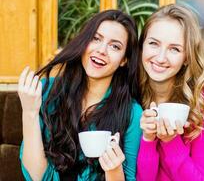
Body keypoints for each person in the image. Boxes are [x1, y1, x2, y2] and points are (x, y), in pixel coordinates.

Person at [18, 10, 142, 181]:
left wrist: (113, 170)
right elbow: (36, 176)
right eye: (96, 39)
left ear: (124, 60)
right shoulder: (48, 90)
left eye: (115, 46)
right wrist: (29, 112)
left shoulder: (132, 113)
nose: (101, 50)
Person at [136, 4, 204, 181]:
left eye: (174, 49)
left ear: (187, 58)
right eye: (153, 43)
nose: (160, 58)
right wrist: (148, 140)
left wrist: (170, 142)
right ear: (142, 46)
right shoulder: (133, 97)